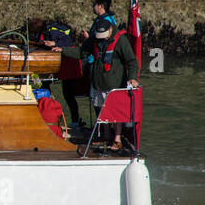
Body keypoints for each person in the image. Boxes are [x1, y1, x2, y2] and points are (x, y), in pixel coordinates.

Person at [59, 19, 138, 152]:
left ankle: (117, 139)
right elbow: (81, 52)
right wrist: (62, 50)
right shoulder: (95, 40)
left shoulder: (121, 41)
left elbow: (132, 61)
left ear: (110, 31)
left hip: (114, 84)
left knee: (115, 113)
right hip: (97, 82)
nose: (101, 40)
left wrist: (132, 78)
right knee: (102, 110)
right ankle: (106, 135)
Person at [30, 17, 84, 131]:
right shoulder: (45, 32)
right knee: (50, 89)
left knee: (68, 95)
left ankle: (75, 121)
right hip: (60, 64)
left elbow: (67, 42)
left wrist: (53, 43)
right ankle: (47, 114)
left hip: (69, 64)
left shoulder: (52, 30)